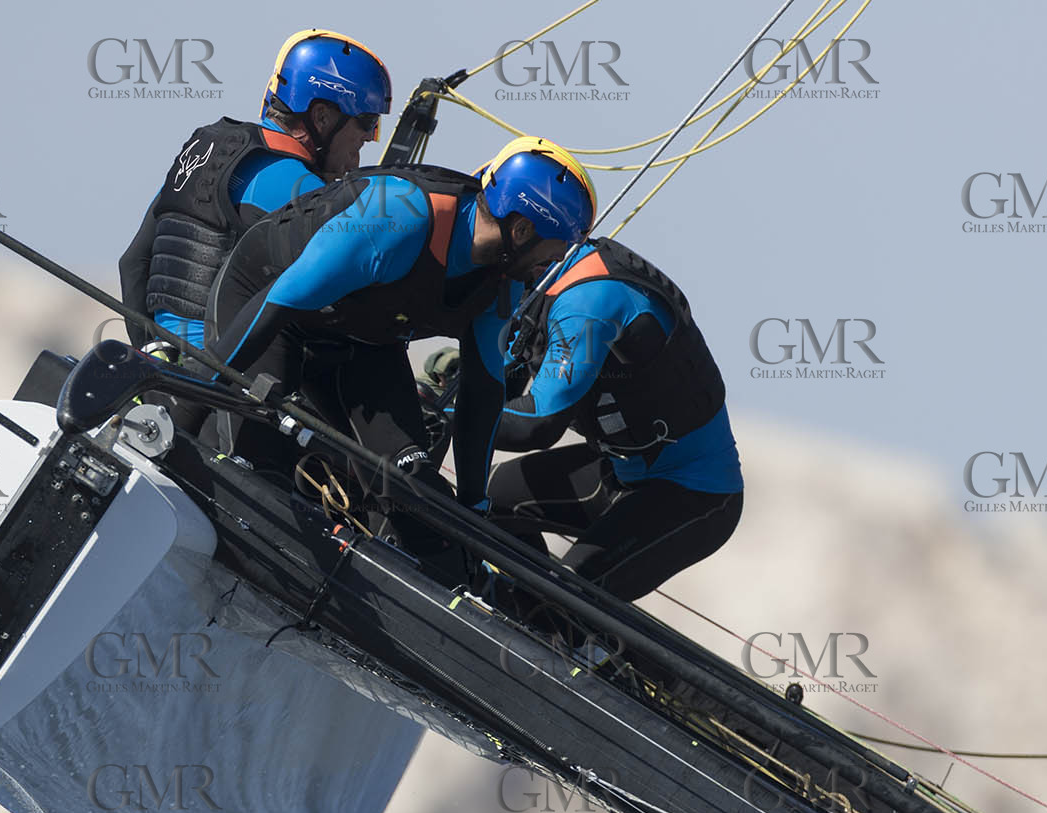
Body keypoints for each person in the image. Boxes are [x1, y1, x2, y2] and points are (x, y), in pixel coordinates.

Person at [204, 137, 597, 526]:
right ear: (523, 229)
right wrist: (192, 396)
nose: (551, 267)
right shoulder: (402, 215)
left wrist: (474, 507)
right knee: (260, 470)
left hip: (363, 343)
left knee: (419, 498)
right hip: (272, 309)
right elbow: (280, 302)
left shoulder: (502, 284)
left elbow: (482, 394)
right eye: (556, 251)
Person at [488, 237, 743, 602]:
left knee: (563, 598)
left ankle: (557, 629)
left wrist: (451, 415)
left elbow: (538, 423)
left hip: (692, 494)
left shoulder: (588, 301)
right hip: (619, 471)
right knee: (489, 499)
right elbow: (501, 392)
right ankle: (524, 608)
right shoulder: (539, 285)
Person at [117, 29, 390, 353]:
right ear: (322, 116)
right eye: (366, 124)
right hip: (227, 385)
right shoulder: (299, 186)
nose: (368, 142)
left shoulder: (205, 152)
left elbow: (132, 263)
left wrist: (154, 360)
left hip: (166, 373)